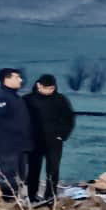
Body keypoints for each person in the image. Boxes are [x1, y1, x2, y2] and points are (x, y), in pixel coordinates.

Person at [24, 74, 76, 202]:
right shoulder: (27, 100)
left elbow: (69, 119)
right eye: (46, 88)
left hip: (54, 141)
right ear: (38, 85)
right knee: (33, 170)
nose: (49, 91)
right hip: (34, 140)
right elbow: (21, 120)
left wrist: (62, 136)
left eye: (52, 88)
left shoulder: (61, 100)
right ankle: (32, 195)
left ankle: (50, 196)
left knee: (53, 170)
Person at [0, 68, 35, 201]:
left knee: (21, 176)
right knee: (9, 175)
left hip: (20, 145)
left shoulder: (16, 97)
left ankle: (17, 200)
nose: (20, 80)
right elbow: (0, 121)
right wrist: (18, 133)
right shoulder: (1, 97)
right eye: (17, 77)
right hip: (7, 145)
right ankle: (9, 201)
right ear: (7, 79)